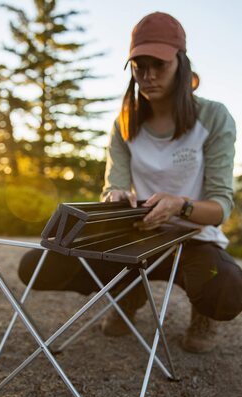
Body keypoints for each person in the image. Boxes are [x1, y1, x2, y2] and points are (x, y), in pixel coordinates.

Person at [18, 11, 242, 354]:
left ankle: (203, 310)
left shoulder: (213, 116)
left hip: (195, 239)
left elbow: (219, 208)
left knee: (226, 288)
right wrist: (115, 197)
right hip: (138, 239)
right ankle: (128, 293)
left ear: (181, 64)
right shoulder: (124, 124)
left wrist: (179, 205)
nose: (148, 76)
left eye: (159, 65)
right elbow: (113, 187)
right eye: (139, 66)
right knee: (36, 267)